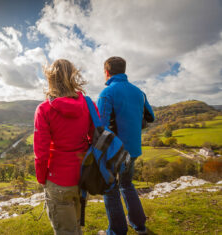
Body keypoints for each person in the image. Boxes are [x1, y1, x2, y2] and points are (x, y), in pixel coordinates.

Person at [34, 59, 99, 235]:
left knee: (65, 230)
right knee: (76, 225)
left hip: (57, 180)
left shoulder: (44, 109)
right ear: (73, 76)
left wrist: (42, 179)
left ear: (51, 78)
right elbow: (96, 138)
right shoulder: (89, 104)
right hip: (82, 176)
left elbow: (41, 153)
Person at [97, 56, 155, 235]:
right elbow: (151, 116)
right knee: (127, 185)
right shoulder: (139, 92)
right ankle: (139, 226)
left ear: (107, 72)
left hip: (115, 151)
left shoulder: (107, 93)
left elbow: (101, 127)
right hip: (134, 149)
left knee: (110, 188)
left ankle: (117, 231)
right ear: (124, 70)